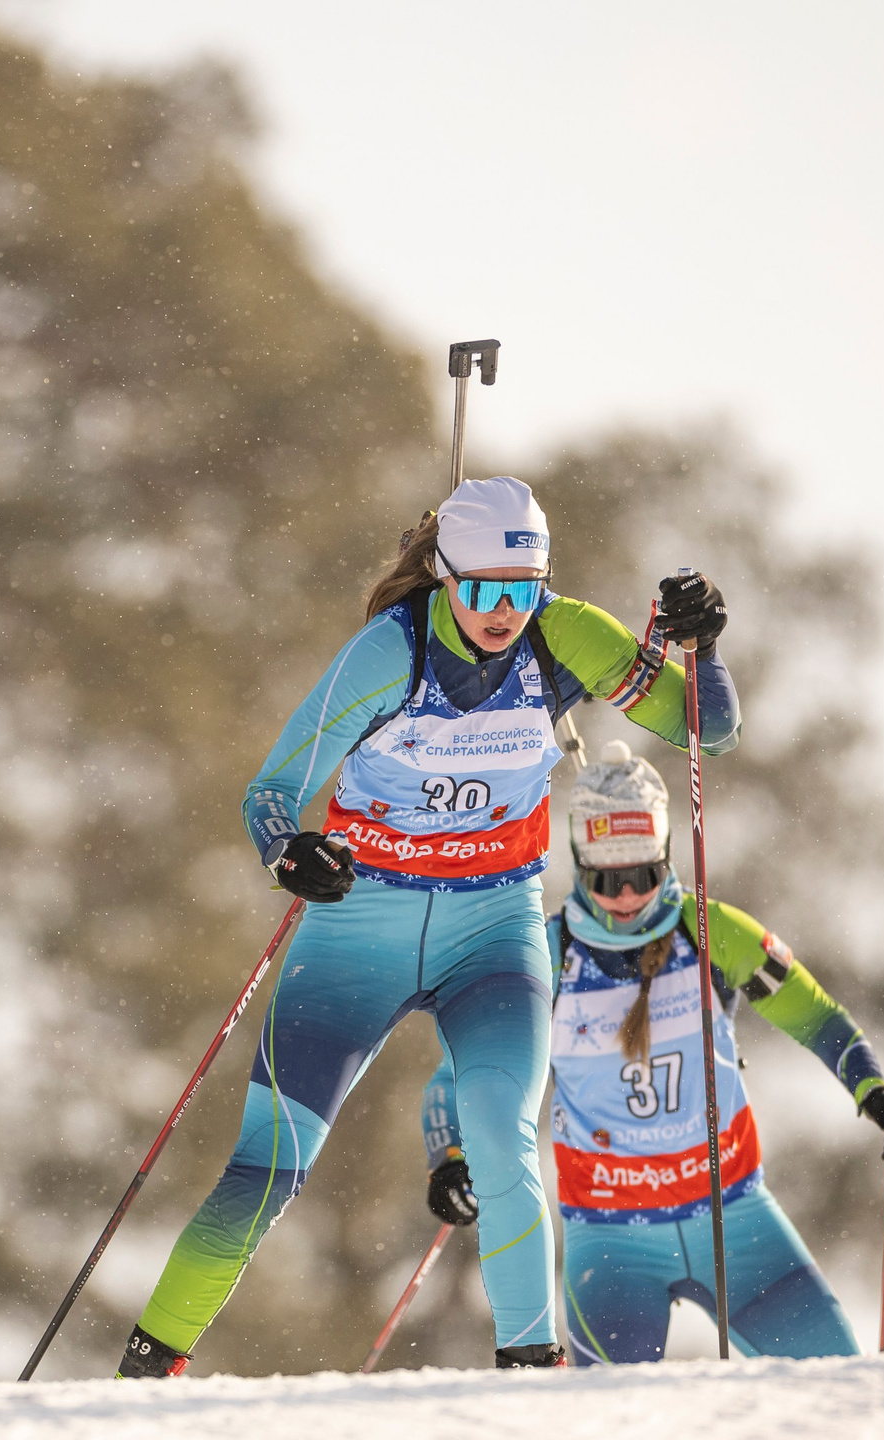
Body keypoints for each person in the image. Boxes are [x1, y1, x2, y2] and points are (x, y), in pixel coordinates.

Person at [118, 476, 741, 1376]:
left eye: (522, 592)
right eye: (484, 591)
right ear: (446, 578)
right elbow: (272, 792)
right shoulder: (386, 654)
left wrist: (706, 647)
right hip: (360, 923)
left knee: (498, 1129)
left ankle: (530, 1366)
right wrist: (286, 851)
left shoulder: (563, 636)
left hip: (491, 929)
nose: (503, 613)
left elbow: (707, 733)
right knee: (271, 1165)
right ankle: (145, 1369)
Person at [420, 742, 884, 1363]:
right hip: (609, 1244)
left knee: (841, 1384)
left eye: (643, 876)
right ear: (579, 866)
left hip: (735, 1220)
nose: (627, 897)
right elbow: (455, 1080)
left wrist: (874, 1090)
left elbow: (816, 1017)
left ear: (666, 860)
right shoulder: (545, 959)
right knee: (609, 1430)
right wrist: (448, 1160)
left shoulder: (711, 933)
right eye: (607, 880)